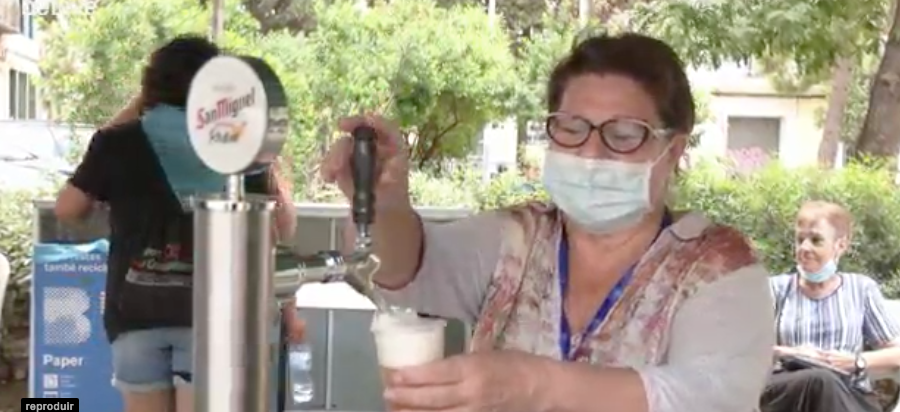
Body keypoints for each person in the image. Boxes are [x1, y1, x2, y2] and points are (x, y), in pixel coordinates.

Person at [323, 33, 774, 412]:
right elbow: (408, 270)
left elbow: (710, 396)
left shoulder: (715, 268)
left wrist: (532, 382)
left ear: (672, 151)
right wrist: (385, 204)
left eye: (622, 136)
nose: (591, 153)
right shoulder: (520, 237)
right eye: (572, 129)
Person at [54, 36, 304, 412]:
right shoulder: (234, 145)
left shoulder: (117, 143)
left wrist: (140, 106)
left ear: (150, 84)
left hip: (134, 313)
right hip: (213, 316)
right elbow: (281, 225)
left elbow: (67, 208)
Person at [762, 201, 900, 412]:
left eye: (816, 240)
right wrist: (790, 353)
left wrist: (856, 362)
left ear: (841, 245)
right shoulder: (776, 288)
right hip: (789, 393)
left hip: (849, 395)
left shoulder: (861, 289)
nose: (804, 248)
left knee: (825, 382)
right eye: (800, 240)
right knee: (819, 379)